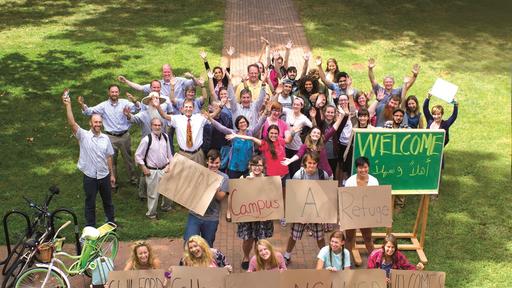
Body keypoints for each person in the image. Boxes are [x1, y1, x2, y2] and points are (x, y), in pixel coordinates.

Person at [62, 89, 115, 227]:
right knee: (90, 203)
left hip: (104, 175)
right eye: (95, 122)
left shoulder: (105, 139)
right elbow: (72, 123)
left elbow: (109, 156)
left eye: (99, 122)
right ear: (90, 123)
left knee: (108, 202)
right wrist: (68, 105)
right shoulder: (83, 135)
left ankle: (111, 224)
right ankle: (90, 227)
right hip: (90, 176)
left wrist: (112, 174)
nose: (97, 124)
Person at [78, 84, 139, 187]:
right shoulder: (103, 106)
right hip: (110, 137)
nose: (114, 94)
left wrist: (133, 100)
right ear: (109, 93)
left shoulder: (125, 103)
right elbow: (89, 112)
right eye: (112, 92)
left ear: (118, 93)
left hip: (124, 136)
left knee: (128, 159)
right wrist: (82, 104)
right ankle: (113, 182)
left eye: (116, 92)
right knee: (111, 160)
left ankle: (133, 179)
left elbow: (138, 108)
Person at [283, 152, 332, 264]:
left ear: (317, 164)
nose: (311, 165)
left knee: (320, 236)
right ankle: (287, 256)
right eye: (309, 163)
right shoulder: (298, 175)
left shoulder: (322, 174)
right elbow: (293, 195)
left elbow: (328, 192)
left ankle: (326, 257)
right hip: (301, 210)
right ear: (305, 163)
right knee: (294, 235)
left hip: (316, 211)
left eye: (314, 163)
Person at [183, 150, 229, 247]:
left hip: (211, 217)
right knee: (189, 242)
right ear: (207, 161)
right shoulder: (199, 173)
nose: (214, 165)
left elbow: (220, 197)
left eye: (217, 163)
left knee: (207, 246)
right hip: (195, 214)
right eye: (212, 162)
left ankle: (207, 263)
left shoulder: (224, 177)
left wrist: (215, 187)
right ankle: (188, 262)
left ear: (220, 163)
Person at [235, 156, 274, 270]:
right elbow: (236, 196)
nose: (257, 167)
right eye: (254, 165)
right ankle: (246, 257)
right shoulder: (243, 178)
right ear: (250, 166)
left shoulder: (268, 180)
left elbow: (273, 197)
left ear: (263, 167)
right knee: (248, 239)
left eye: (260, 165)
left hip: (263, 216)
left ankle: (260, 259)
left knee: (261, 240)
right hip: (247, 216)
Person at [134, 118, 173, 219]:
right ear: (151, 126)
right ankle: (151, 214)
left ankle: (166, 207)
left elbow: (169, 153)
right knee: (153, 195)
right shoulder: (147, 139)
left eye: (159, 125)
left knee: (168, 191)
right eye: (155, 125)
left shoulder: (165, 137)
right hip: (152, 171)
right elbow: (138, 155)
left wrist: (170, 165)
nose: (157, 127)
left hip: (165, 169)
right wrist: (143, 167)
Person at [154, 98, 209, 165]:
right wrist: (158, 106)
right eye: (186, 107)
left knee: (199, 174)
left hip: (198, 154)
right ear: (182, 108)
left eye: (190, 107)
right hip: (184, 154)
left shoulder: (199, 118)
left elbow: (211, 117)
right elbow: (164, 116)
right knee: (184, 175)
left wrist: (220, 107)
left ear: (193, 108)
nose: (188, 109)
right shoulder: (177, 119)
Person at [344, 157, 379, 257]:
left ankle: (374, 260)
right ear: (356, 168)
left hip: (367, 215)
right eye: (360, 167)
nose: (363, 170)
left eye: (365, 167)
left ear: (368, 167)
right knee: (349, 238)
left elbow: (376, 200)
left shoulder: (374, 181)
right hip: (352, 214)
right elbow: (346, 200)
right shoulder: (350, 182)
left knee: (368, 238)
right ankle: (345, 261)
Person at [118, 64, 195, 99]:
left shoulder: (180, 81)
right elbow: (140, 88)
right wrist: (126, 81)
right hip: (164, 113)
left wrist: (192, 77)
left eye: (168, 72)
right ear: (162, 73)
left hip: (179, 112)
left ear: (172, 71)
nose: (167, 74)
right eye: (165, 72)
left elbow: (195, 83)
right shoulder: (157, 85)